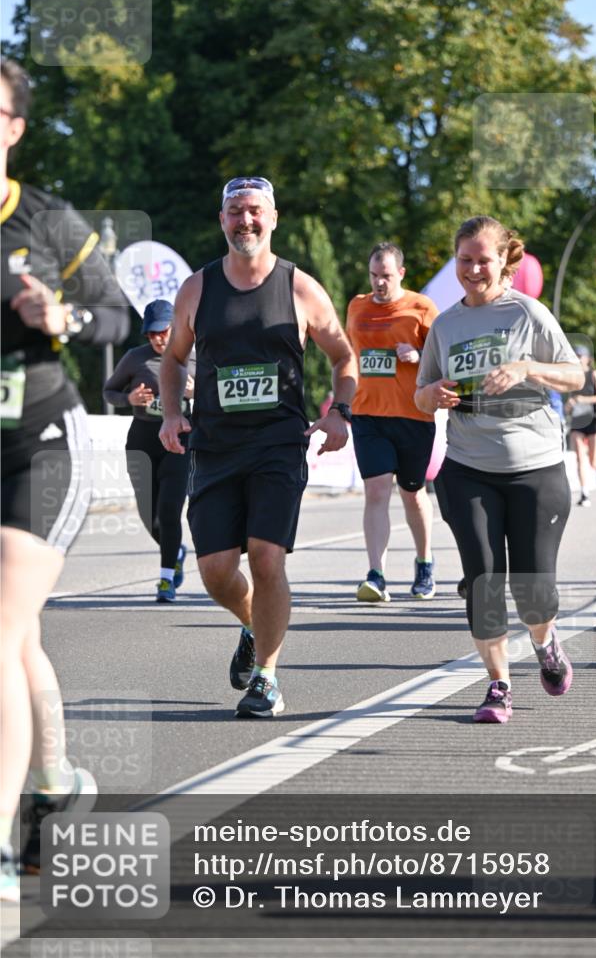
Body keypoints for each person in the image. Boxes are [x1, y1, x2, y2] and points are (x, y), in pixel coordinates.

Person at [0, 59, 129, 900]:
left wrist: (65, 315)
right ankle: (54, 782)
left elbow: (119, 311)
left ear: (13, 127)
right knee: (16, 637)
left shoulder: (46, 221)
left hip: (40, 444)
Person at [159, 176, 357, 718]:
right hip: (215, 447)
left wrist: (339, 411)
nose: (244, 221)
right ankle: (253, 626)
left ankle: (267, 678)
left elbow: (343, 356)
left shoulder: (300, 287)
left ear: (272, 218)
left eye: (254, 211)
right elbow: (173, 358)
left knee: (268, 558)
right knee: (216, 573)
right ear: (221, 220)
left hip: (277, 443)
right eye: (234, 212)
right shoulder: (197, 288)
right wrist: (172, 413)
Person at [414, 215, 584, 724]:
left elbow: (575, 375)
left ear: (503, 260)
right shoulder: (445, 325)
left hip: (535, 467)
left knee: (533, 594)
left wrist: (528, 368)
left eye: (482, 260)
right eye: (464, 260)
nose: (472, 270)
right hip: (468, 466)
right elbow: (420, 394)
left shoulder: (528, 313)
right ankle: (498, 685)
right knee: (483, 580)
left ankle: (545, 642)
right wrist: (433, 393)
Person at [346, 242, 439, 602]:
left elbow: (443, 359)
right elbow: (349, 356)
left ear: (401, 273)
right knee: (376, 490)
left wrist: (419, 355)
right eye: (373, 275)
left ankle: (424, 563)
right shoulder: (357, 306)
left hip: (413, 414)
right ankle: (376, 575)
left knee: (412, 493)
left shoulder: (422, 307)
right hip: (368, 413)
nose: (379, 283)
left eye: (385, 275)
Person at [103, 299, 195, 601]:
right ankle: (175, 551)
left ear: (175, 327)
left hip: (179, 443)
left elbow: (218, 397)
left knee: (169, 512)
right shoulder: (135, 358)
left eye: (162, 331)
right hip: (142, 443)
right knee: (150, 518)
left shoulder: (195, 356)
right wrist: (128, 399)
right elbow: (109, 391)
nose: (157, 338)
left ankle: (166, 579)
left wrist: (197, 391)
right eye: (151, 334)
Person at [565, 344, 596, 507]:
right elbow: (569, 401)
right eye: (575, 356)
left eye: (580, 356)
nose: (577, 359)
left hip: (594, 420)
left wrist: (584, 400)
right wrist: (569, 405)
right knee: (579, 457)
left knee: (592, 461)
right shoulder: (571, 378)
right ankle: (584, 493)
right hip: (578, 421)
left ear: (587, 359)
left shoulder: (593, 375)